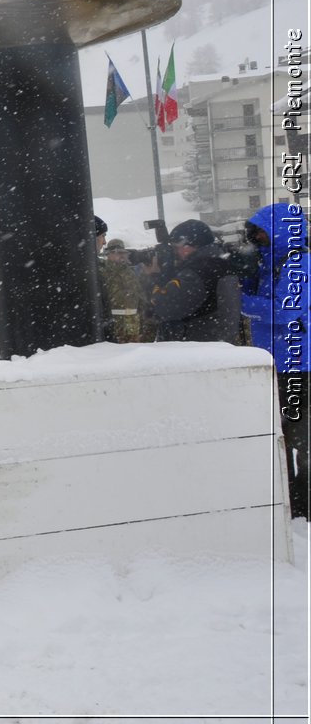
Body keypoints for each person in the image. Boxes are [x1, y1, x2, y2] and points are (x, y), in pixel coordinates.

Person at [239, 202, 308, 519]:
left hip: (299, 366)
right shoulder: (270, 263)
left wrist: (242, 302)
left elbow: (285, 310)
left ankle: (304, 509)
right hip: (275, 363)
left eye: (262, 233)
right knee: (281, 438)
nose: (256, 239)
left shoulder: (299, 263)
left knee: (302, 441)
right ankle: (292, 505)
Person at [149, 219, 242, 343]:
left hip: (195, 346)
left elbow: (164, 307)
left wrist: (155, 277)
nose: (175, 252)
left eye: (177, 247)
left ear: (192, 245)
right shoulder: (217, 263)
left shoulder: (198, 271)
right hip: (213, 341)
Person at [101, 240, 144, 344]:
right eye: (118, 253)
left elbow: (139, 296)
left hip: (133, 326)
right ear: (109, 254)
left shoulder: (130, 272)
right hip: (114, 326)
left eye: (123, 253)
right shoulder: (103, 272)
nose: (122, 256)